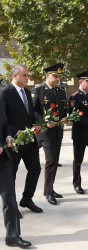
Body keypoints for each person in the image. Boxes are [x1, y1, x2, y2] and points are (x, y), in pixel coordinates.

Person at [0, 65, 43, 214]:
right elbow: (3, 120)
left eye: (27, 75)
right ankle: (12, 207)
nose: (27, 78)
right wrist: (14, 132)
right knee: (11, 174)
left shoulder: (27, 92)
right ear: (15, 76)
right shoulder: (4, 93)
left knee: (35, 169)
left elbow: (30, 115)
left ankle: (27, 199)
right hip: (14, 141)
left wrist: (36, 125)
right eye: (24, 75)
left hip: (29, 140)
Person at [31, 63, 69, 205]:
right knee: (51, 161)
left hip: (58, 131)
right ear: (47, 76)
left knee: (54, 161)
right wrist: (43, 121)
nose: (58, 78)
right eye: (55, 76)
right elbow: (32, 111)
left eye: (59, 76)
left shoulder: (60, 91)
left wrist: (65, 118)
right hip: (45, 132)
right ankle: (48, 191)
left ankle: (50, 188)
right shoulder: (39, 90)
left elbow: (63, 110)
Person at [0, 102, 32, 248]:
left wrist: (8, 135)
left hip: (3, 160)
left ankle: (12, 235)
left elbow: (4, 123)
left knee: (10, 199)